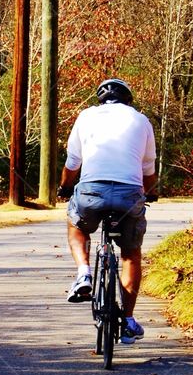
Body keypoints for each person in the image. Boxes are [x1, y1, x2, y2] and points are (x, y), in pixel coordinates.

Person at [58, 78, 157, 344]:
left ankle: (83, 273)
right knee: (131, 254)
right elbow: (149, 171)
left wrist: (65, 187)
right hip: (129, 195)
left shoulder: (86, 116)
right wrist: (149, 192)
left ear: (101, 99)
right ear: (128, 99)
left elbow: (72, 163)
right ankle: (128, 320)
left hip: (91, 191)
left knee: (76, 226)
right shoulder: (141, 120)